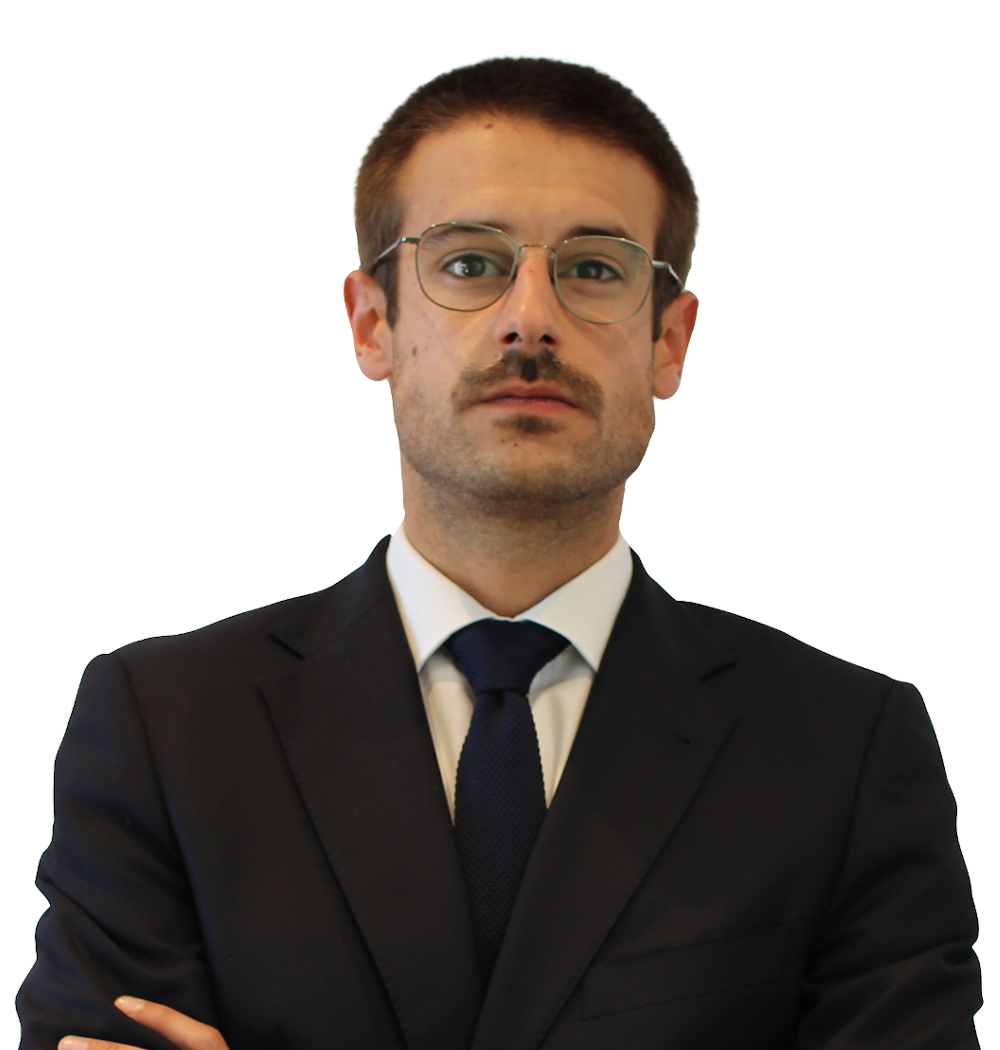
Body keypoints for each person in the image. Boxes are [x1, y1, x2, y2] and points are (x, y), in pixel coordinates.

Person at [17, 57, 981, 1050]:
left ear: (669, 340)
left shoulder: (840, 749)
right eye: (470, 264)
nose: (531, 317)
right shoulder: (169, 728)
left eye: (594, 268)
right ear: (373, 322)